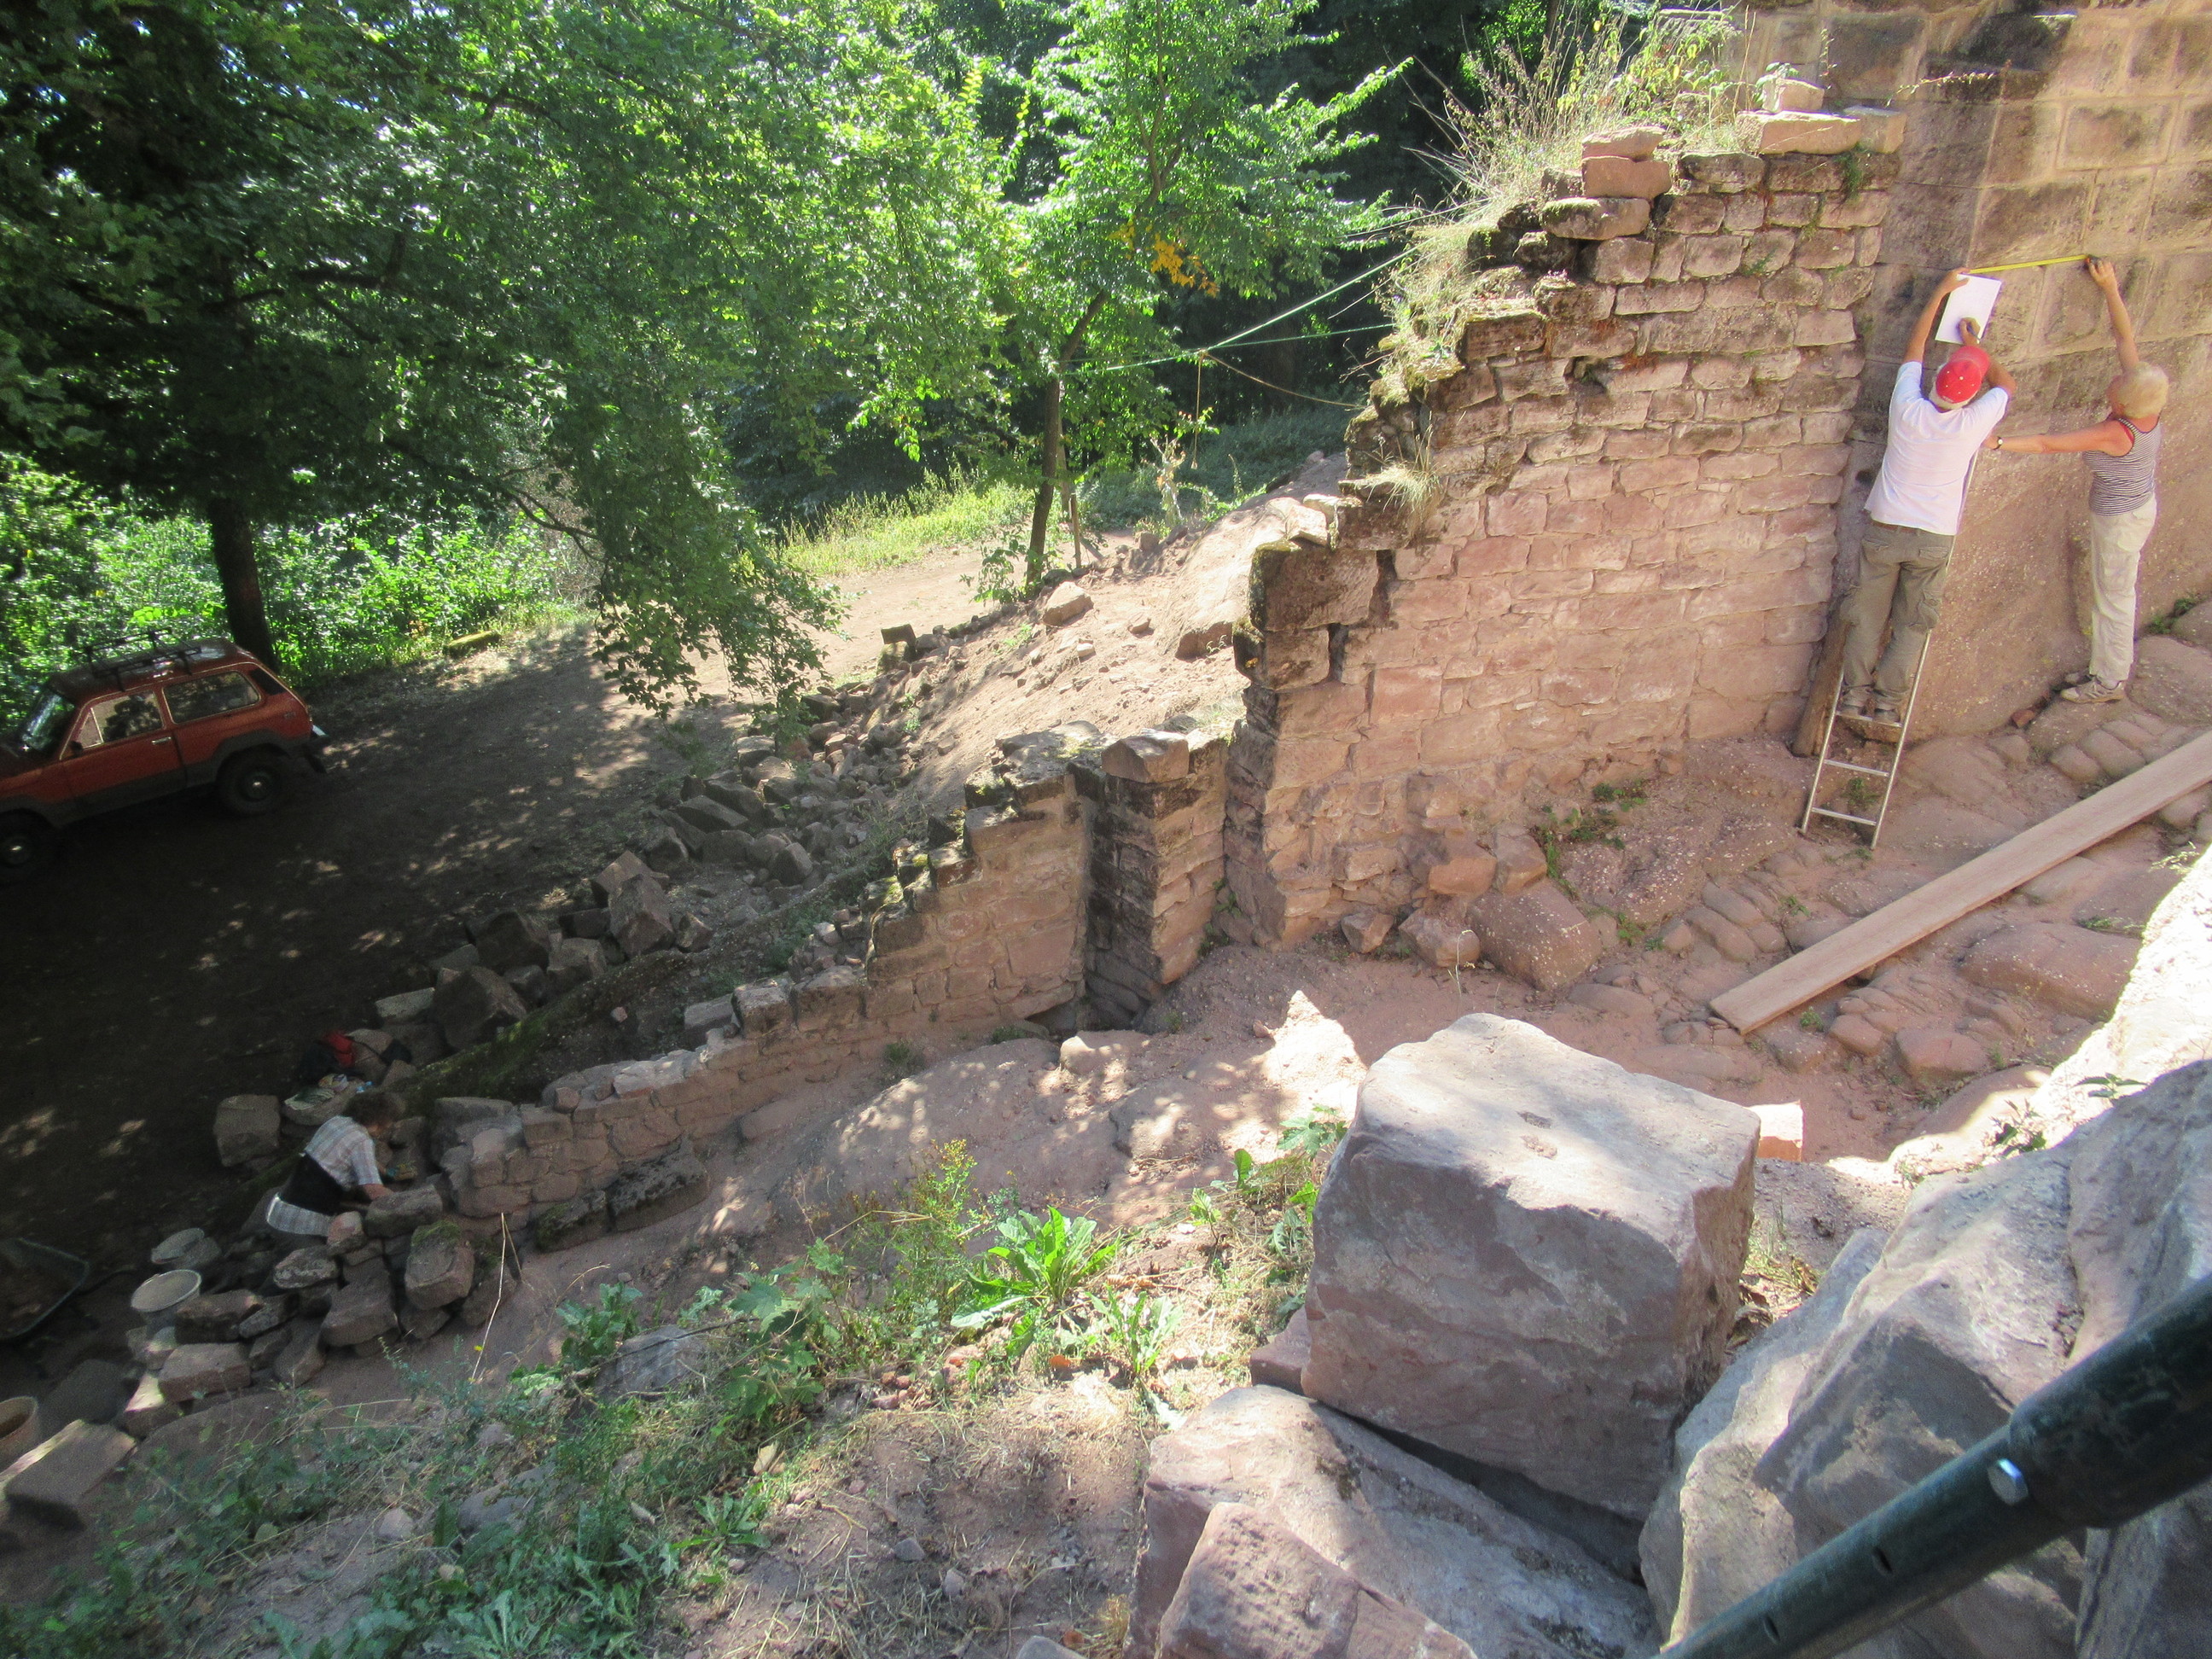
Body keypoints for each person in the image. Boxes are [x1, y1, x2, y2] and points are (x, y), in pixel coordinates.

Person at [1982, 257, 2167, 704]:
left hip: (2121, 521)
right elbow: (2125, 339)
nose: (2114, 380)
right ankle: (2107, 671)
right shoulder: (2148, 401)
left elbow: (2050, 445)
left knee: (2113, 598)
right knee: (2113, 592)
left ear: (2121, 403)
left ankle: (2109, 681)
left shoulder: (2115, 433)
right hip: (2136, 506)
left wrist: (1999, 443)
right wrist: (2110, 287)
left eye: (2116, 385)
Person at [1837, 269, 2014, 732]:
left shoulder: (1908, 409)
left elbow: (1914, 351)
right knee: (1913, 624)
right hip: (1934, 537)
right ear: (1969, 398)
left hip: (1886, 528)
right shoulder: (1972, 423)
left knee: (1867, 617)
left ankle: (1854, 695)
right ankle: (1887, 704)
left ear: (1935, 386)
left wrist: (1939, 294)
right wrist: (1975, 345)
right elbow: (2007, 386)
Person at [265, 1090, 399, 1249]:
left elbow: (345, 1155)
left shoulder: (335, 1122)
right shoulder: (362, 1141)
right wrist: (404, 1200)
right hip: (302, 1225)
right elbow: (374, 1191)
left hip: (277, 1212)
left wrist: (385, 1172)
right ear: (380, 1121)